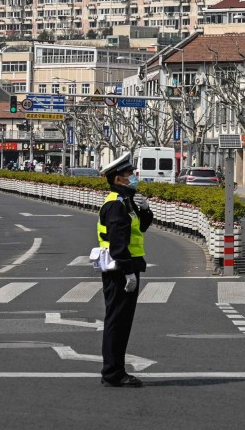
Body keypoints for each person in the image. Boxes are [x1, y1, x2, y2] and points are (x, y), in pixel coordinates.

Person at [97, 151, 154, 388]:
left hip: (124, 268)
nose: (134, 177)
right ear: (118, 179)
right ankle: (113, 373)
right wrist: (127, 272)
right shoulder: (116, 204)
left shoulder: (126, 201)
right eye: (130, 174)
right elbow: (118, 241)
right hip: (119, 270)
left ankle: (114, 370)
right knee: (117, 322)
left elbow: (138, 228)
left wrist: (146, 210)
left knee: (121, 322)